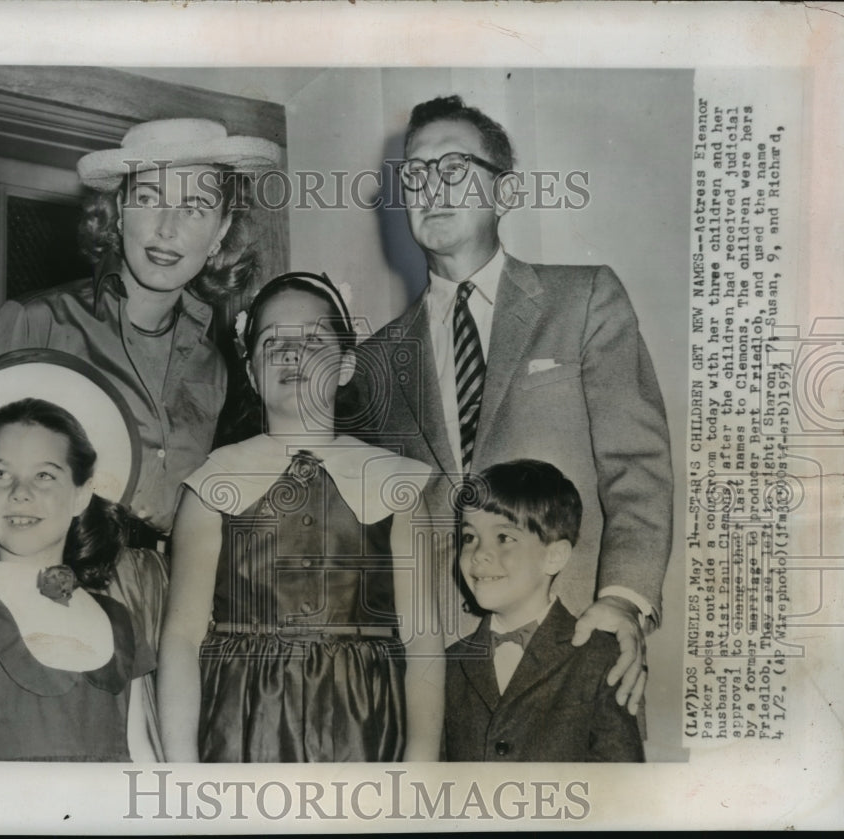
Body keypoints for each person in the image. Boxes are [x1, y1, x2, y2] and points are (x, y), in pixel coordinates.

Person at [0, 119, 280, 746]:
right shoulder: (36, 321)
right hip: (51, 593)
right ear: (117, 213)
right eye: (149, 198)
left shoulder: (215, 363)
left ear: (221, 237)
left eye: (195, 207)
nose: (166, 229)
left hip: (169, 615)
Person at [352, 95, 673, 714]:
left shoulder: (583, 299)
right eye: (415, 173)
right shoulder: (377, 359)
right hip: (440, 668)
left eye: (454, 167)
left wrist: (624, 602)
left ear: (504, 191)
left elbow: (638, 468)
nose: (431, 187)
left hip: (578, 639)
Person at [157, 272, 443, 762]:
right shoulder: (212, 484)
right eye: (272, 343)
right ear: (250, 372)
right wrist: (182, 770)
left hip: (366, 727)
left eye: (312, 341)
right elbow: (182, 637)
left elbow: (423, 637)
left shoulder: (394, 486)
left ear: (347, 365)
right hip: (244, 724)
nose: (291, 355)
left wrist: (421, 757)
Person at [0, 372, 155, 761]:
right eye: (0, 473)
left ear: (82, 494)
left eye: (44, 475)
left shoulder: (120, 621)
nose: (20, 492)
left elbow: (141, 757)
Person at [445, 460, 644, 762]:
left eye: (504, 538)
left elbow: (623, 787)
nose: (479, 555)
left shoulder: (601, 658)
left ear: (554, 557)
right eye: (470, 537)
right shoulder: (448, 664)